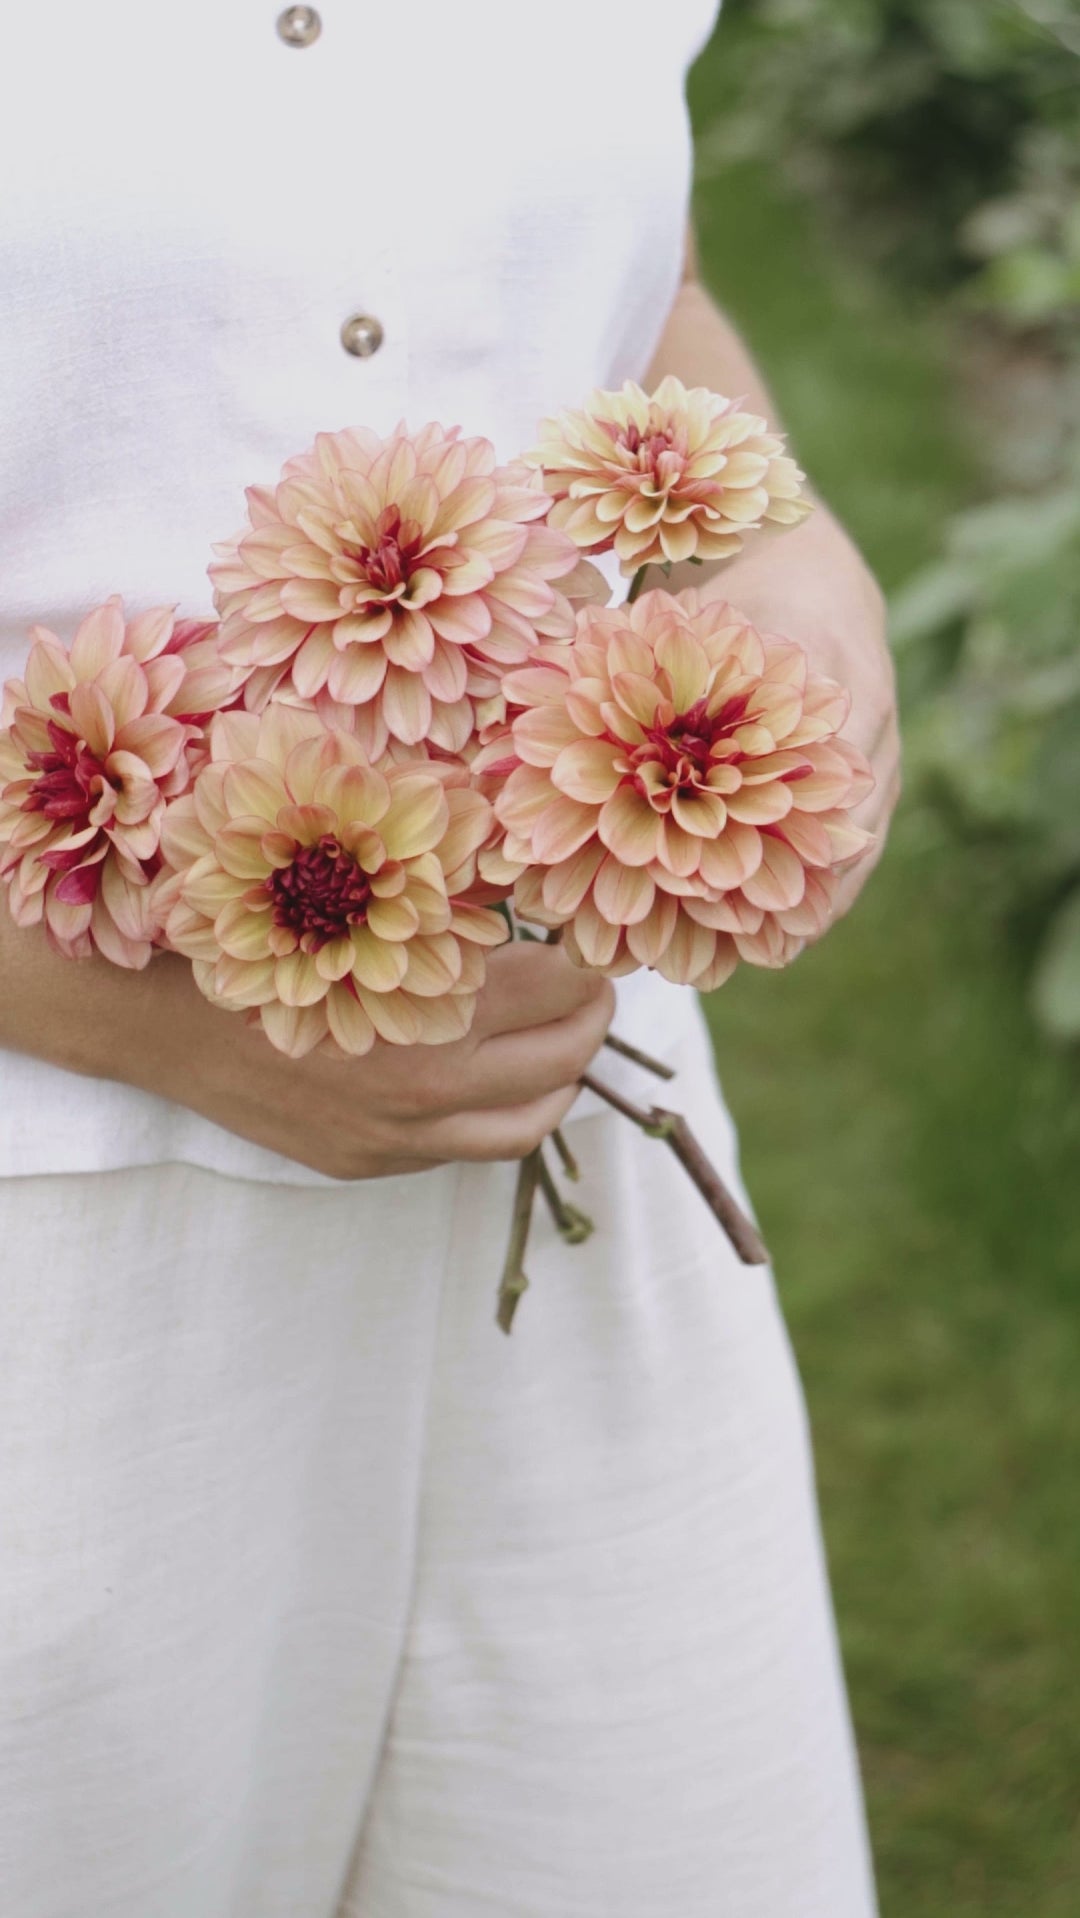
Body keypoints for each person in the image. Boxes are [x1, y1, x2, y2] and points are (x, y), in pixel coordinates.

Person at [0, 3, 898, 1913]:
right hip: (62, 1266)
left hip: (576, 1186)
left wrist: (775, 550)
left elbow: (636, 277)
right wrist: (116, 1004)